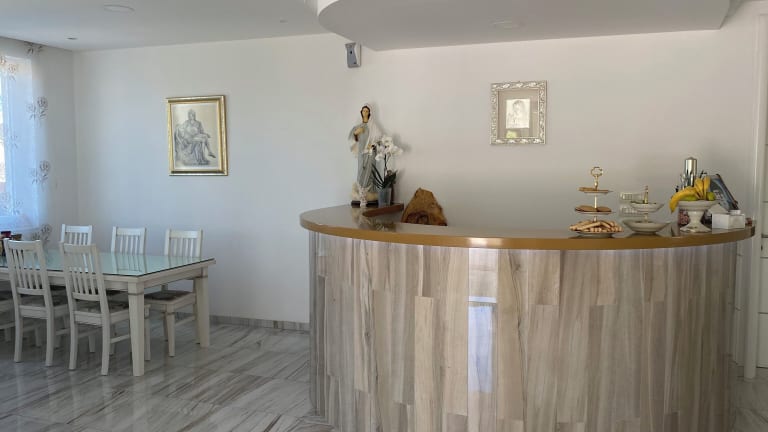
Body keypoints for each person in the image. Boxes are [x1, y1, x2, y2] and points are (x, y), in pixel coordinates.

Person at [349, 105, 381, 201]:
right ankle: (360, 192)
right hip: (361, 153)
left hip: (370, 152)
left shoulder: (373, 126)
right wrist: (356, 133)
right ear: (361, 112)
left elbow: (378, 137)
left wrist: (372, 144)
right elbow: (353, 140)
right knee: (361, 170)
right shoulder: (358, 126)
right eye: (363, 111)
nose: (365, 113)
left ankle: (370, 193)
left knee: (370, 170)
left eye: (367, 111)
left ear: (369, 113)